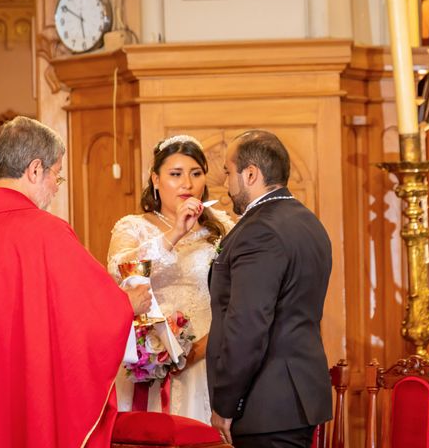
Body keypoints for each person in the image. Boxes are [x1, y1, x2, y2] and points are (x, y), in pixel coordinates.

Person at [0, 116, 151, 448]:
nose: (54, 188)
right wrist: (128, 303)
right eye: (56, 176)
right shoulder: (46, 233)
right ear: (35, 170)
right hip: (19, 397)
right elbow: (91, 320)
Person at [207, 130, 333, 447]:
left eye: (228, 172)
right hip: (293, 400)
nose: (226, 183)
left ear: (251, 174)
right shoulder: (308, 222)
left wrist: (225, 404)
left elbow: (247, 325)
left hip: (265, 403)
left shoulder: (258, 230)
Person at [107, 134, 233, 424]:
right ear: (155, 179)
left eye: (196, 174)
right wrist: (175, 231)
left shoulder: (222, 226)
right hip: (150, 352)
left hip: (204, 351)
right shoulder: (133, 226)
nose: (187, 184)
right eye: (175, 174)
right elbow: (120, 269)